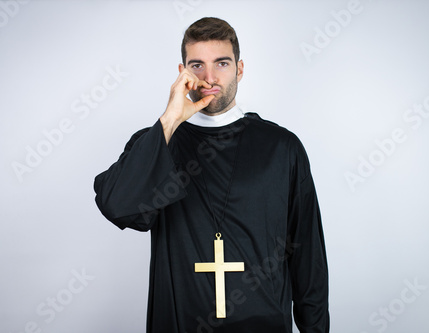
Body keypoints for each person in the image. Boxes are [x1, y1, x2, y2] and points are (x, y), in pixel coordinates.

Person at [94, 17, 329, 333]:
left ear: (239, 69)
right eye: (197, 65)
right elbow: (115, 204)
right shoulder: (158, 143)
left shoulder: (280, 147)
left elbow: (307, 252)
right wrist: (169, 120)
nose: (209, 77)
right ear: (183, 74)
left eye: (221, 63)